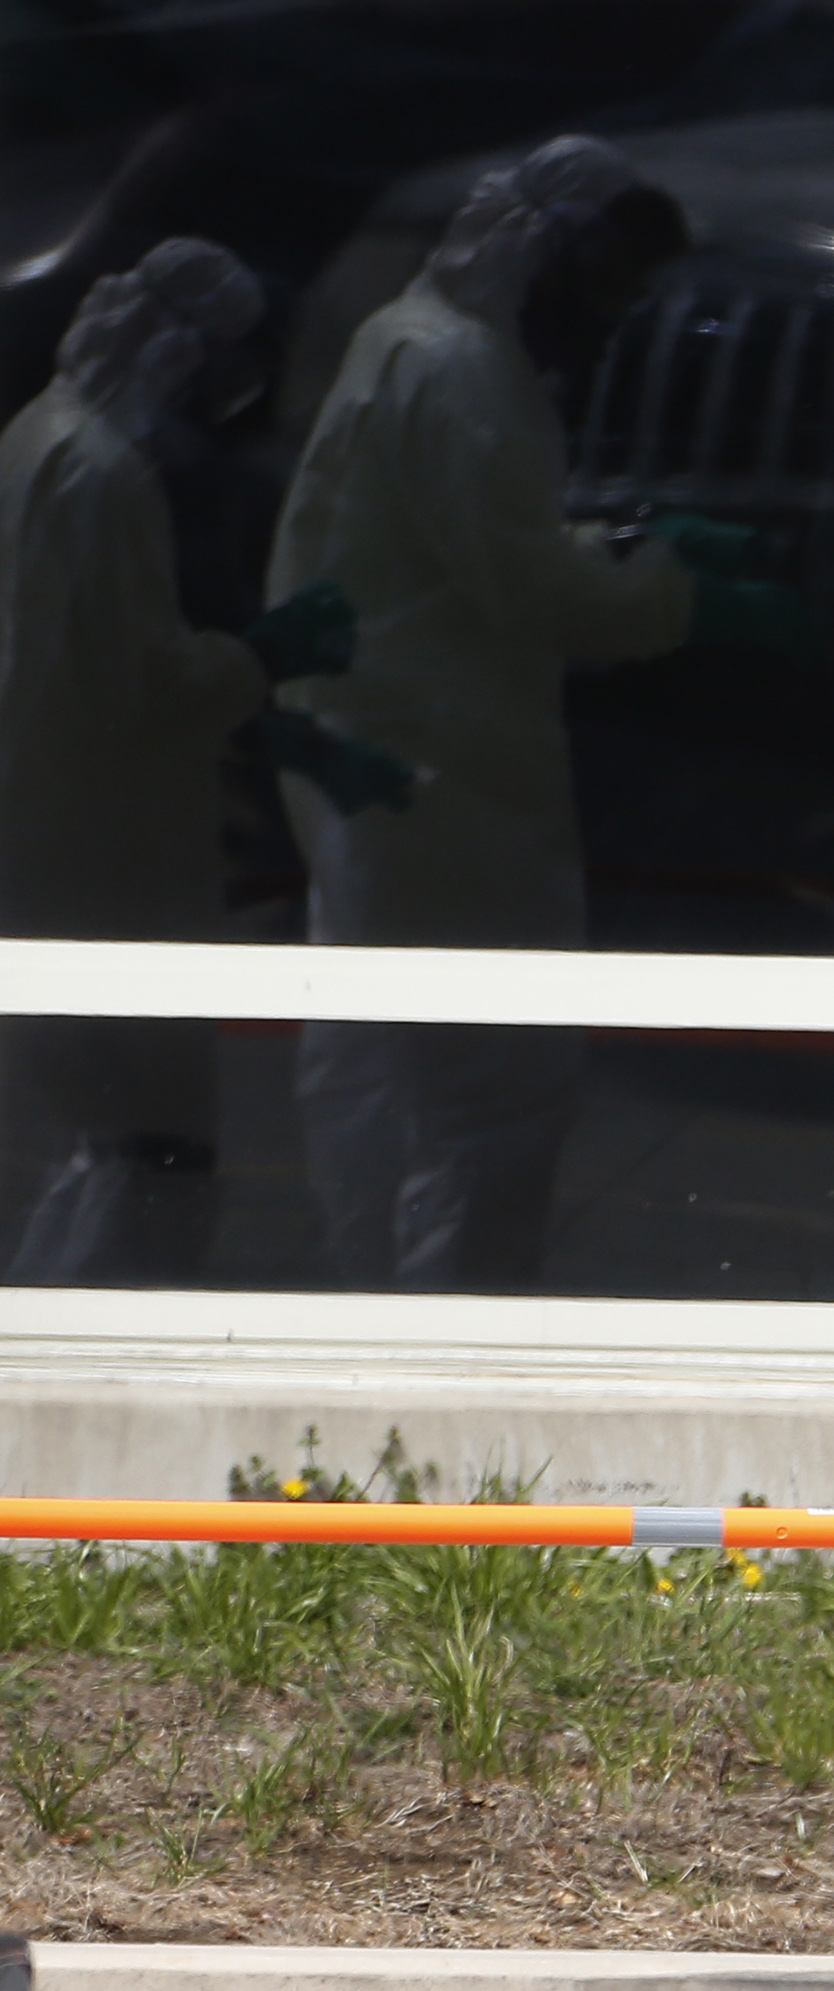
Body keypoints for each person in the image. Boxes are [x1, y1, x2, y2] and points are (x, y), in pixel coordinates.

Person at [270, 136, 793, 1289]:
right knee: (487, 1086)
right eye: (608, 284)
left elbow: (442, 553)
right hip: (441, 783)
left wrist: (618, 547)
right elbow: (530, 592)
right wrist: (670, 589)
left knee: (376, 1066)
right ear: (546, 256)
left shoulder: (403, 341)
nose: (614, 318)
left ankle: (368, 1325)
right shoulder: (464, 375)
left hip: (377, 764)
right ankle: (454, 1358)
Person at [0, 238, 389, 1279]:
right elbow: (141, 683)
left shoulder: (37, 438)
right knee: (156, 1149)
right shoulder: (106, 475)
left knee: (102, 1143)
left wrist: (264, 722)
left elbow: (71, 663)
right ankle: (105, 1386)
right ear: (184, 352)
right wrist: (263, 660)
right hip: (103, 859)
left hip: (48, 839)